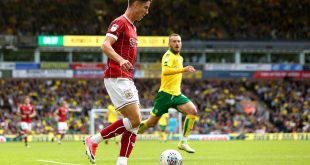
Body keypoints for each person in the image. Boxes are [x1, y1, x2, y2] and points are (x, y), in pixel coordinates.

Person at [83, 0, 152, 164]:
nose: (147, 12)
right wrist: (120, 60)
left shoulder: (133, 27)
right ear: (135, 4)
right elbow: (105, 45)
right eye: (145, 7)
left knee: (134, 123)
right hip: (117, 76)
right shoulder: (120, 22)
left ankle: (122, 161)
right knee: (135, 120)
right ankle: (93, 140)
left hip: (126, 78)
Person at [138, 33, 198, 153]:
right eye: (174, 41)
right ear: (169, 43)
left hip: (176, 94)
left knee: (192, 111)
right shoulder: (168, 55)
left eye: (179, 41)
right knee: (151, 123)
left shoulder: (180, 58)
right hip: (164, 95)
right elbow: (165, 71)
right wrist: (184, 69)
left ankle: (183, 142)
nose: (177, 44)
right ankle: (131, 132)